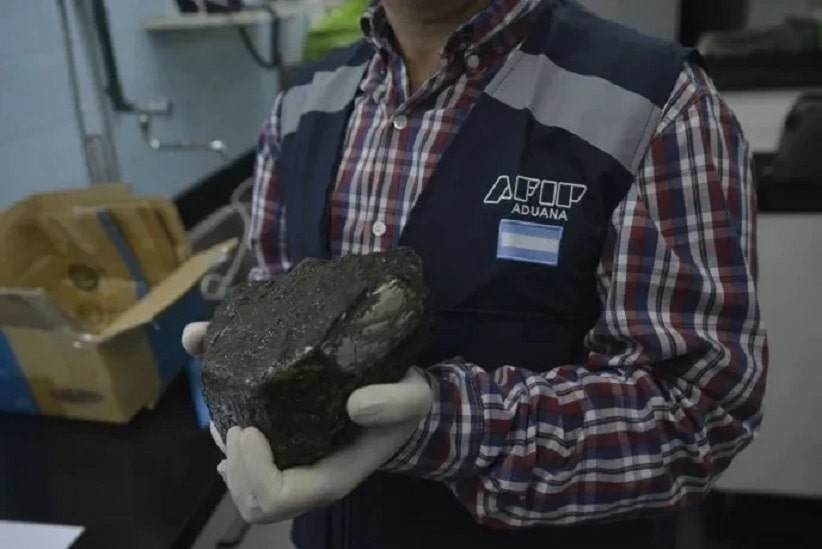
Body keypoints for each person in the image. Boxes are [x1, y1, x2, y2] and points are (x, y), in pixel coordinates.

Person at [182, 0, 768, 547]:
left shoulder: (655, 103)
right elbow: (272, 313)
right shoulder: (302, 105)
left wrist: (444, 425)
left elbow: (697, 415)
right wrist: (247, 401)